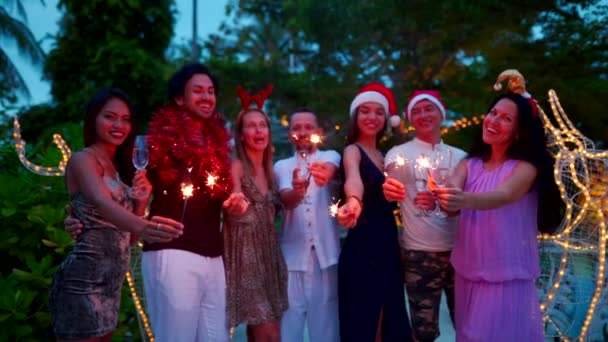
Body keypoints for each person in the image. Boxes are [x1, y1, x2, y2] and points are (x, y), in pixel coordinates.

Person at [65, 64, 240, 341]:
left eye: (211, 91)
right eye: (198, 90)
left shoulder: (220, 145)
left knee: (217, 337)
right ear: (179, 98)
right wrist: (76, 216)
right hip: (172, 251)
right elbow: (109, 189)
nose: (207, 96)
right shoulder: (157, 140)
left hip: (214, 254)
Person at [49, 88, 183, 341]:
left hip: (112, 285)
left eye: (126, 119)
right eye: (110, 117)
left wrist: (141, 202)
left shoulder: (120, 171)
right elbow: (100, 202)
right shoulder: (82, 160)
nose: (119, 125)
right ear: (93, 120)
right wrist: (144, 225)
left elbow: (128, 240)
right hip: (82, 282)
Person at [432, 92, 553, 341]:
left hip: (504, 274)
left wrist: (461, 199)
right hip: (467, 270)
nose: (494, 121)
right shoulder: (470, 164)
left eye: (506, 119)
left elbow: (503, 195)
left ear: (519, 132)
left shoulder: (525, 168)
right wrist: (437, 197)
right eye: (493, 113)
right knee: (467, 334)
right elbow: (451, 203)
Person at [382, 90, 466, 341]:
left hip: (461, 254)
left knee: (467, 323)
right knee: (423, 329)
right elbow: (392, 181)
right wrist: (391, 187)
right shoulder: (399, 153)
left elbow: (468, 205)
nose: (423, 115)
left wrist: (444, 201)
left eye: (429, 108)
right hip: (419, 254)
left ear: (441, 113)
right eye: (416, 111)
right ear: (409, 118)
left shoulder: (462, 157)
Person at [335, 83, 412, 341]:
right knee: (365, 320)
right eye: (365, 111)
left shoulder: (386, 156)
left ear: (387, 119)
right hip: (363, 245)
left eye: (379, 112)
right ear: (355, 117)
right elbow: (353, 178)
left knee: (388, 318)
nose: (372, 117)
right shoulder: (352, 151)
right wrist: (354, 200)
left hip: (389, 244)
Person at [223, 87, 288, 341]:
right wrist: (237, 205)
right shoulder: (237, 165)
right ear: (241, 134)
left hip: (269, 253)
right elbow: (235, 197)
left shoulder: (271, 170)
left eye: (263, 125)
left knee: (271, 331)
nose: (259, 130)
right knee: (266, 331)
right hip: (246, 255)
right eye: (251, 126)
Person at [273, 108, 341, 342]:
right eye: (296, 127)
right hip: (292, 259)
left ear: (318, 132)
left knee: (327, 330)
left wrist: (324, 173)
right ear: (290, 133)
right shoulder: (281, 166)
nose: (302, 132)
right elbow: (286, 199)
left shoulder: (331, 156)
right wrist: (297, 192)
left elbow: (331, 169)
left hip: (327, 259)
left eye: (308, 127)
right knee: (289, 330)